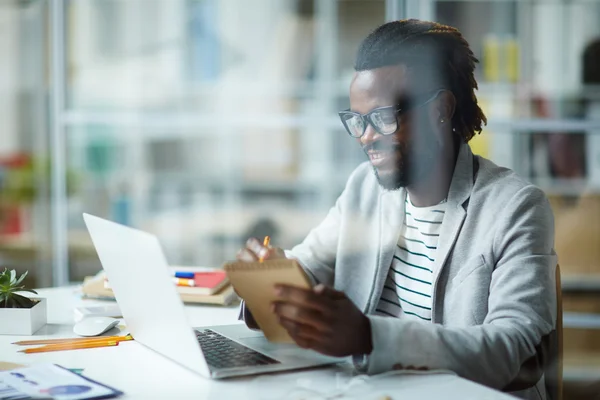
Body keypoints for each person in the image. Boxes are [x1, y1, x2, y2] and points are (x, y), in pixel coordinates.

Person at [237, 19, 557, 400]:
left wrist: (368, 336)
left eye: (383, 118)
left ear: (441, 108)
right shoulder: (365, 188)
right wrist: (267, 283)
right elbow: (307, 268)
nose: (366, 137)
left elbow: (510, 347)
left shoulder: (515, 206)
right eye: (356, 121)